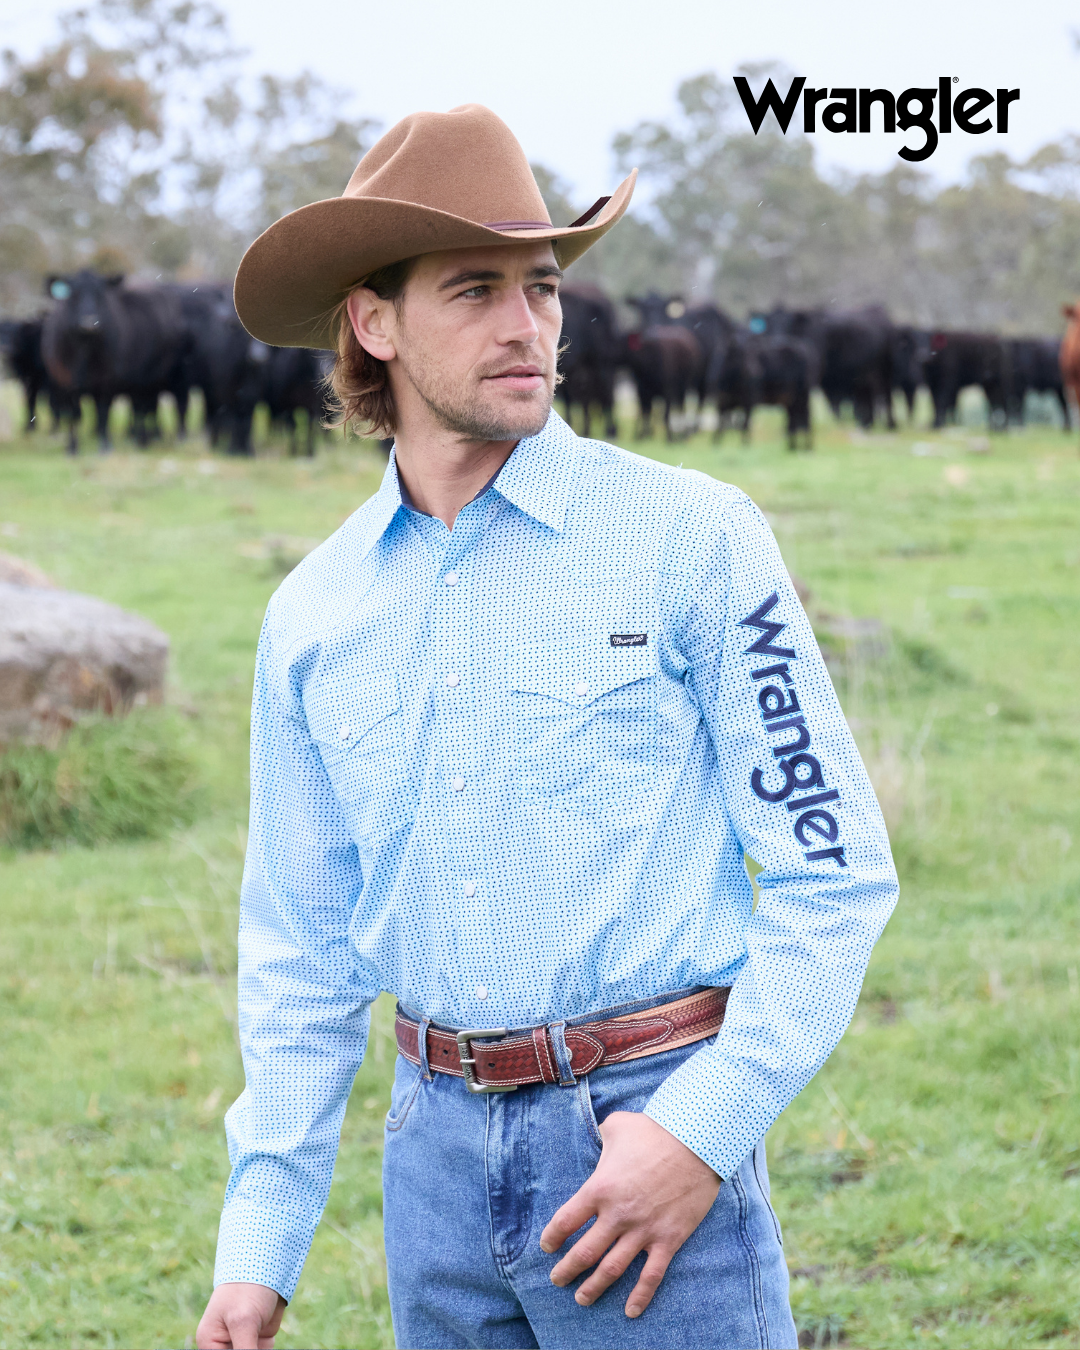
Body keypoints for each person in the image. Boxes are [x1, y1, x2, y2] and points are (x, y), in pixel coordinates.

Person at [196, 104, 898, 1350]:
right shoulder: (312, 615)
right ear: (374, 323)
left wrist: (699, 1129)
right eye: (474, 290)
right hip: (432, 1160)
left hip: (645, 1143)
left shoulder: (691, 537)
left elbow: (832, 872)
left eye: (542, 288)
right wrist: (262, 1240)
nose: (527, 327)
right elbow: (300, 951)